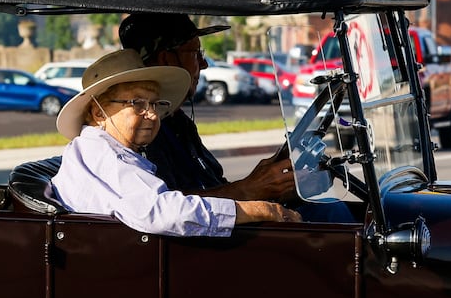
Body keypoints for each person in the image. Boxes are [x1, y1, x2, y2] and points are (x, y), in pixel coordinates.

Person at [50, 49, 297, 237]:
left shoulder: (104, 149)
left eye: (155, 104)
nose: (152, 114)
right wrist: (261, 210)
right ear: (99, 113)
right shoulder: (102, 153)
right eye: (137, 103)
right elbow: (162, 213)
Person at [117, 12, 295, 202]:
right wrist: (246, 190)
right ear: (166, 59)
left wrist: (266, 184)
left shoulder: (179, 123)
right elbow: (167, 205)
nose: (204, 64)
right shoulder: (143, 130)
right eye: (196, 54)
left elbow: (212, 186)